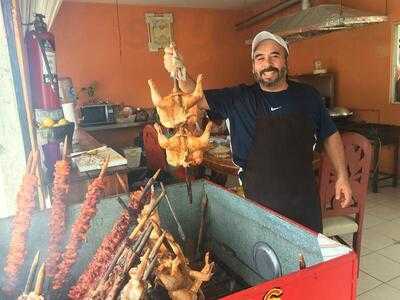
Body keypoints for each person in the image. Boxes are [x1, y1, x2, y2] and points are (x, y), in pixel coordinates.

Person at [163, 31, 352, 232]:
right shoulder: (239, 97)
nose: (267, 63)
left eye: (274, 55)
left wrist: (342, 175)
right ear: (253, 66)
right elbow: (195, 96)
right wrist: (179, 71)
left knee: (307, 261)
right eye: (259, 58)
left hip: (304, 203)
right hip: (258, 204)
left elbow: (330, 135)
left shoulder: (308, 96)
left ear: (285, 62)